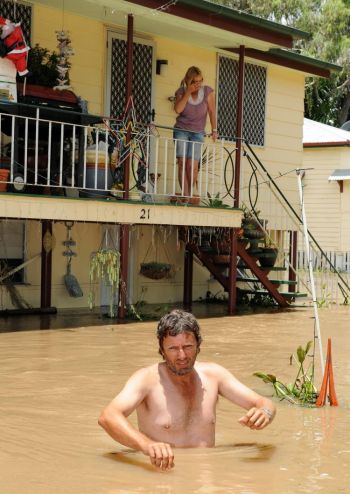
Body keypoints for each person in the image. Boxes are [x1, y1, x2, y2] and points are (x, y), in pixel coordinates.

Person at [98, 309, 276, 471]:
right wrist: (148, 446)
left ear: (198, 345)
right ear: (162, 350)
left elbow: (264, 403)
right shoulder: (146, 379)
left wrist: (265, 412)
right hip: (163, 475)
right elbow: (108, 417)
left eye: (188, 347)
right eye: (173, 348)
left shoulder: (214, 375)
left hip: (206, 476)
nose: (182, 356)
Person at [173, 66, 217, 204]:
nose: (198, 84)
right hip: (181, 130)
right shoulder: (181, 92)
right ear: (188, 81)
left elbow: (211, 111)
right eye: (194, 82)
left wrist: (214, 130)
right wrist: (188, 93)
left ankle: (189, 191)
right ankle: (186, 196)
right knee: (182, 163)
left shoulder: (207, 92)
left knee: (192, 166)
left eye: (200, 81)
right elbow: (178, 109)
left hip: (197, 133)